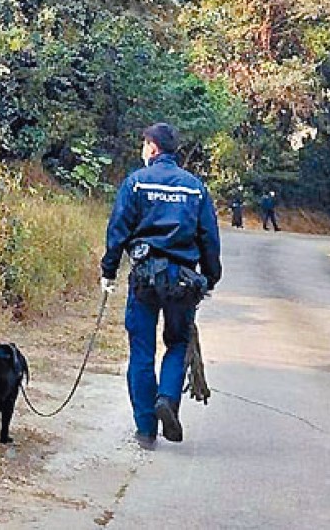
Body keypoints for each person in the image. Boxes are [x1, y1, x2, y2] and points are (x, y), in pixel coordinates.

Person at [101, 122, 222, 448]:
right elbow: (209, 237)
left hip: (144, 278)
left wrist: (108, 270)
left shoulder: (136, 183)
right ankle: (167, 399)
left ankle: (145, 429)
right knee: (178, 342)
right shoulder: (195, 188)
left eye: (144, 145)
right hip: (182, 281)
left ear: (153, 148)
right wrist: (210, 277)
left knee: (141, 350)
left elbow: (118, 230)